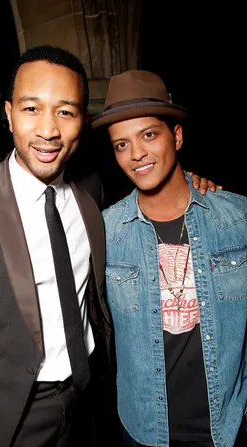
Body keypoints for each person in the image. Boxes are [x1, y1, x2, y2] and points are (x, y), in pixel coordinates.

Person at [0, 46, 217, 447]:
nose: (48, 130)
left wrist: (197, 185)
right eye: (32, 109)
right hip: (5, 419)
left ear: (83, 120)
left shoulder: (91, 191)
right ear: (9, 114)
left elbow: (155, 180)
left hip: (90, 404)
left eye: (65, 111)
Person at [90, 69, 247, 447]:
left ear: (176, 136)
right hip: (144, 429)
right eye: (121, 144)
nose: (137, 154)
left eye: (148, 135)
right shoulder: (104, 232)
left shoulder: (238, 219)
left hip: (230, 427)